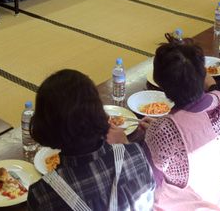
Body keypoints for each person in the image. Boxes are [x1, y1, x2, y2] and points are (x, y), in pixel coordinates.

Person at [142, 38, 220, 210]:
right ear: (203, 74)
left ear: (161, 85)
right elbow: (197, 127)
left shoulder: (163, 131)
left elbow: (148, 187)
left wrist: (155, 134)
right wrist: (162, 130)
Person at [27, 69, 155, 211]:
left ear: (45, 127)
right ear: (98, 111)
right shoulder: (136, 154)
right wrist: (126, 145)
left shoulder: (43, 194)